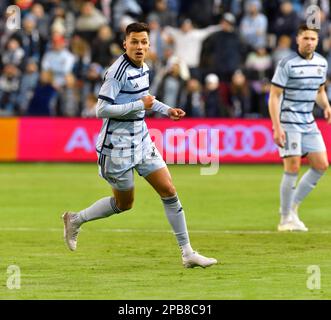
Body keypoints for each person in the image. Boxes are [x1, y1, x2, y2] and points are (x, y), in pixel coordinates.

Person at [62, 22, 217, 269]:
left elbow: (145, 100)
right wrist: (139, 106)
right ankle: (75, 219)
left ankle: (187, 253)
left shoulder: (145, 67)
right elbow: (101, 110)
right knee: (124, 204)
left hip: (142, 140)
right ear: (125, 43)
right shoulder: (117, 72)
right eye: (134, 42)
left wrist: (166, 110)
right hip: (116, 148)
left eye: (144, 42)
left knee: (169, 190)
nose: (140, 47)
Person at [268, 24, 331, 232]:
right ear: (298, 40)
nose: (309, 42)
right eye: (305, 38)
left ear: (317, 41)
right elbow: (274, 97)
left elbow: (319, 91)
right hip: (288, 120)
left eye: (313, 39)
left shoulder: (322, 63)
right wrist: (277, 128)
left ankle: (292, 207)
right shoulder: (287, 64)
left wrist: (326, 105)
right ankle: (285, 218)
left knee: (321, 165)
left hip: (308, 121)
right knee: (293, 167)